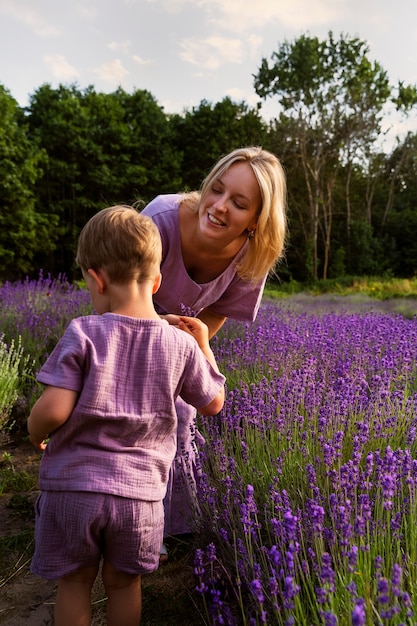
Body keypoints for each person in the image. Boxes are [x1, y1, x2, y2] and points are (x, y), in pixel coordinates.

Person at [27, 205, 225, 626]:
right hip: (140, 498)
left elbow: (55, 408)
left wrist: (34, 430)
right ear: (156, 281)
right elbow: (212, 403)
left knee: (75, 582)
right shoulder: (180, 344)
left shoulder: (84, 332)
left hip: (73, 491)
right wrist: (203, 344)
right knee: (124, 585)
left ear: (96, 279)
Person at [141, 146, 287, 560]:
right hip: (126, 328)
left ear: (258, 220)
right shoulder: (160, 220)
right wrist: (154, 331)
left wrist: (190, 345)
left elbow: (217, 310)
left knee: (183, 415)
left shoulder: (253, 256)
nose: (219, 207)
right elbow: (113, 291)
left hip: (180, 339)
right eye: (217, 190)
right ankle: (122, 514)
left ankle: (172, 524)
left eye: (239, 203)